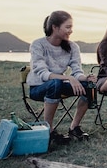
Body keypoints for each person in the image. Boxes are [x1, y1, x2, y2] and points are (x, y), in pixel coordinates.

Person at [27, 10, 95, 144]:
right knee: (56, 83)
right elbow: (43, 74)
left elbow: (76, 71)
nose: (71, 31)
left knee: (88, 86)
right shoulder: (38, 44)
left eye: (71, 27)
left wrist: (85, 78)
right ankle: (49, 131)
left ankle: (74, 127)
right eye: (67, 27)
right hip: (38, 88)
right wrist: (68, 78)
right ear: (55, 27)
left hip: (58, 86)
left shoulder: (72, 47)